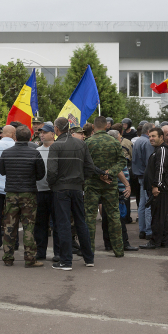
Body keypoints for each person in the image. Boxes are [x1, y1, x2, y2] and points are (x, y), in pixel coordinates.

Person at [46, 117, 100, 270]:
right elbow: (90, 167)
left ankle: (66, 261)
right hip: (77, 188)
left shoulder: (56, 146)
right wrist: (81, 180)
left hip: (60, 189)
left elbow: (51, 170)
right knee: (81, 222)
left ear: (56, 129)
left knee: (63, 224)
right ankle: (89, 258)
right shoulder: (81, 143)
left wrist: (53, 184)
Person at [0, 125, 45, 267]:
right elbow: (41, 174)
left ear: (15, 137)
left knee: (9, 226)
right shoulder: (35, 153)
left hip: (11, 193)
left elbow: (2, 171)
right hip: (28, 193)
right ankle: (30, 258)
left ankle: (7, 257)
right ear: (30, 138)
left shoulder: (6, 153)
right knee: (29, 226)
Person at [84, 116, 127, 257]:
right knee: (114, 215)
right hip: (110, 184)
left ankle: (89, 250)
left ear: (93, 127)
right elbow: (122, 161)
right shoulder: (114, 142)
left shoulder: (88, 142)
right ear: (106, 126)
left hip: (92, 184)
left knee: (90, 216)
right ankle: (119, 249)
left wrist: (100, 174)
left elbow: (85, 164)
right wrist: (110, 173)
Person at [104, 130, 137, 252]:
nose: (121, 140)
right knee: (119, 218)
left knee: (109, 217)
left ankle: (108, 243)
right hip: (117, 189)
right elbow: (118, 170)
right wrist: (127, 184)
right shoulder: (114, 151)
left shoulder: (107, 150)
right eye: (119, 138)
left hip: (113, 188)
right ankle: (123, 243)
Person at [139, 127, 168, 249]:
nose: (151, 139)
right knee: (161, 216)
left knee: (158, 216)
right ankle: (162, 241)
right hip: (158, 188)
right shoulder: (158, 150)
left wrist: (156, 186)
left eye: (154, 136)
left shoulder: (162, 150)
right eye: (150, 136)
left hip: (160, 189)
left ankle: (155, 241)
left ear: (161, 137)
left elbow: (160, 169)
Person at [34, 123, 56, 260]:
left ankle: (58, 252)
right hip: (40, 191)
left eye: (45, 132)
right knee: (40, 224)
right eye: (40, 132)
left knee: (57, 223)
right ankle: (41, 252)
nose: (41, 134)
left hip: (55, 191)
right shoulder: (37, 150)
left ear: (53, 134)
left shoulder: (58, 149)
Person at [132, 122, 155, 239]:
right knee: (148, 204)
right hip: (146, 176)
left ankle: (142, 229)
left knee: (142, 204)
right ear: (148, 132)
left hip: (139, 175)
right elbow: (149, 162)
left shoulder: (138, 141)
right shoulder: (147, 142)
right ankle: (148, 231)